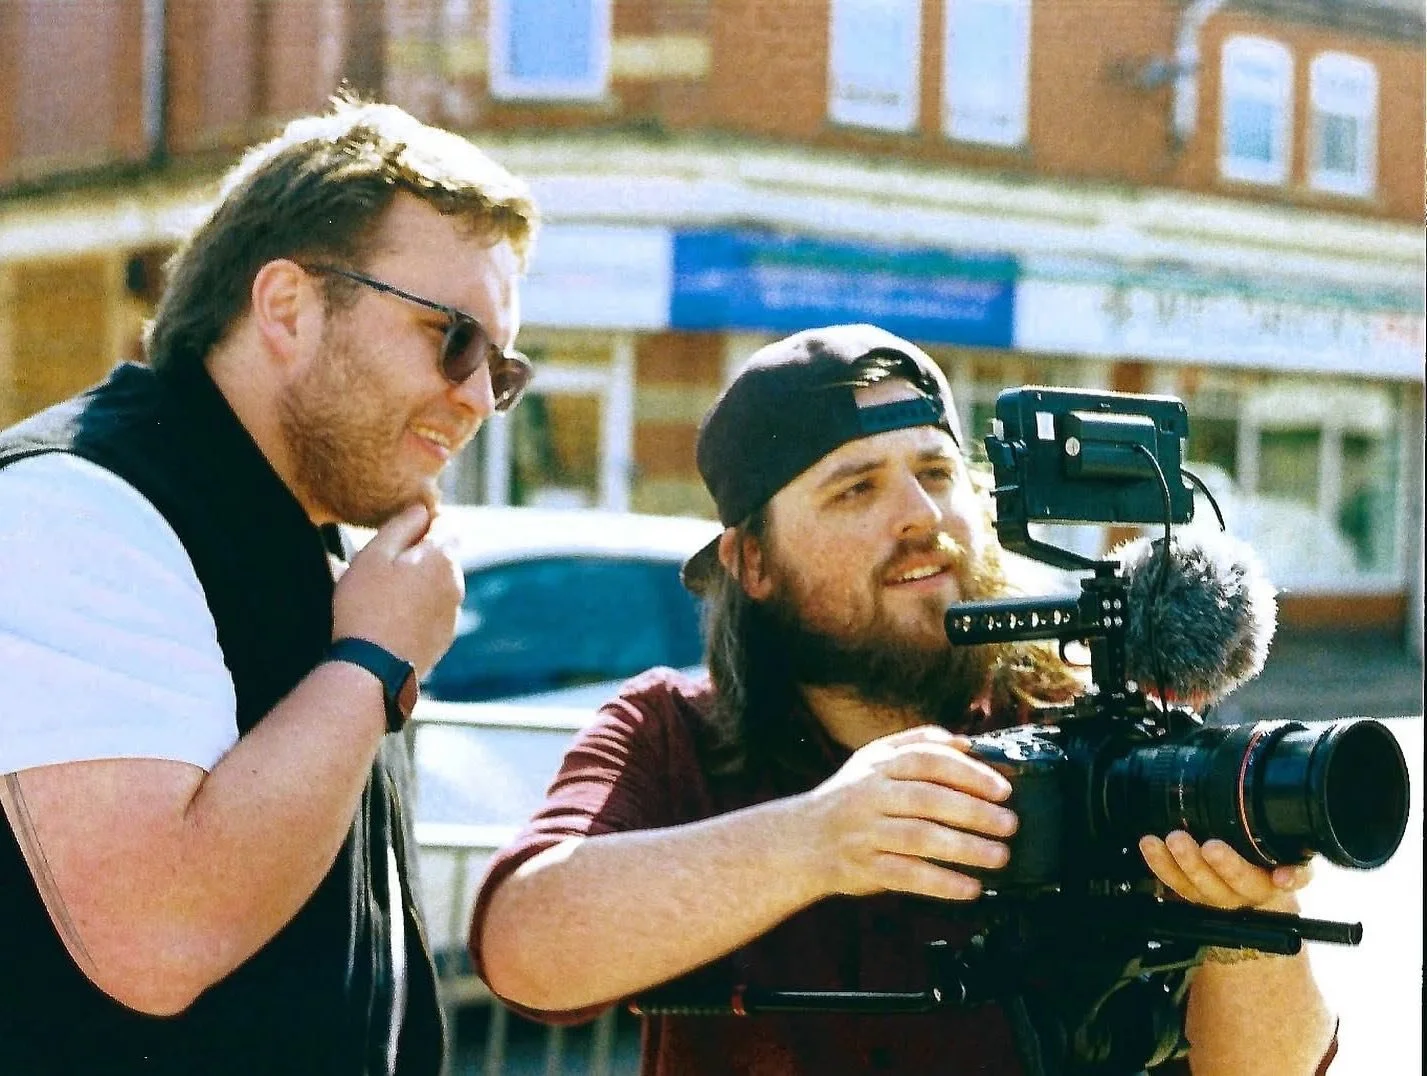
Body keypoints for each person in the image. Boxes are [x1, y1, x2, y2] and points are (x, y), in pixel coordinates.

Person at [468, 324, 1338, 1075]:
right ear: (752, 562)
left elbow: (1267, 1066)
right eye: (856, 488)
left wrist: (1251, 920)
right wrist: (817, 839)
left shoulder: (1094, 731)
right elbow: (522, 951)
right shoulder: (669, 733)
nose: (921, 515)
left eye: (936, 472)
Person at [0, 94, 538, 1074]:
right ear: (287, 306)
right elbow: (160, 932)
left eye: (502, 372)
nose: (474, 397)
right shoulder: (75, 504)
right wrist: (372, 660)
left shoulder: (321, 546)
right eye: (452, 338)